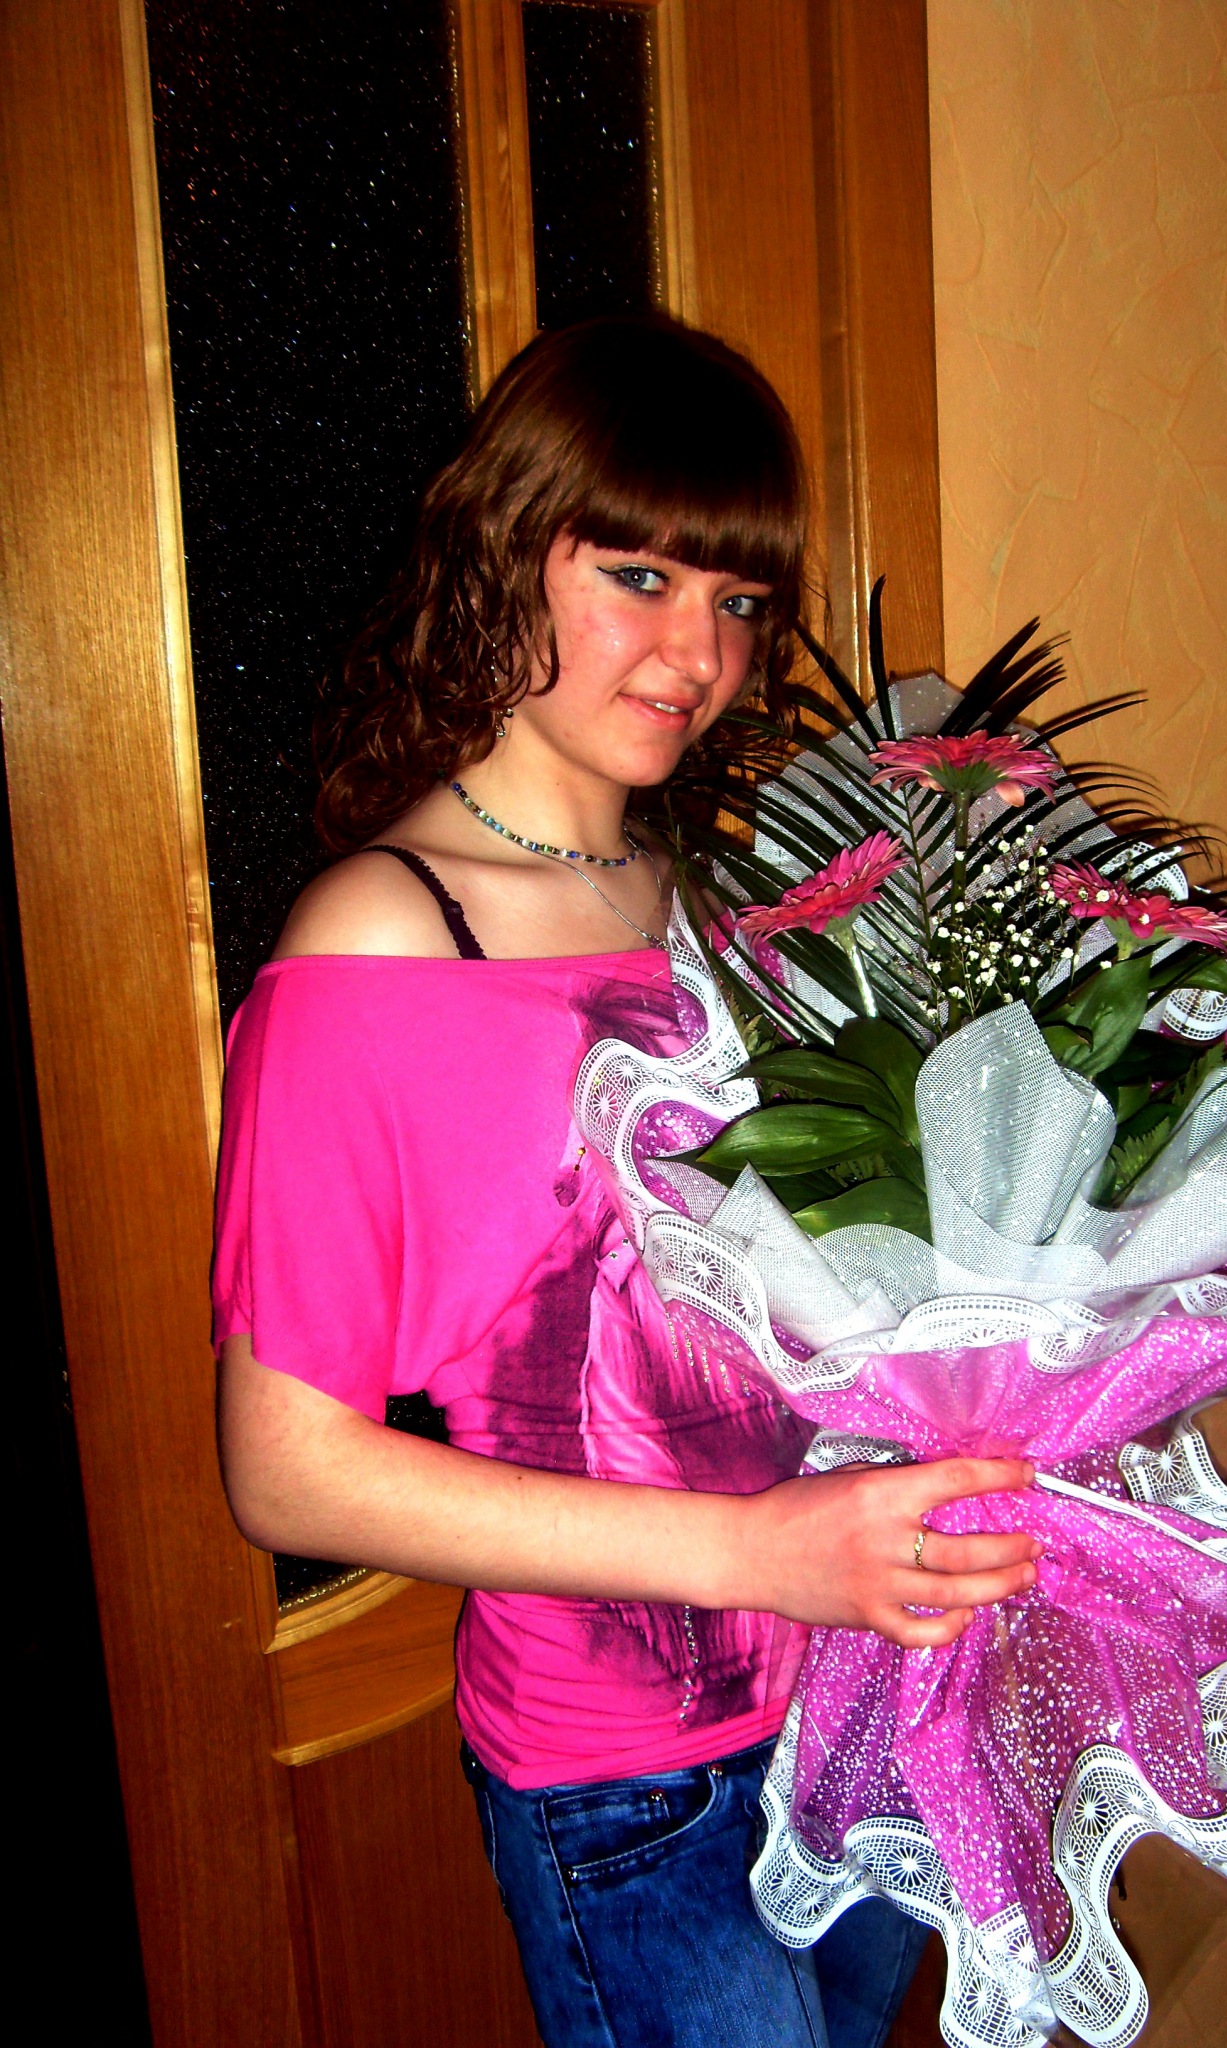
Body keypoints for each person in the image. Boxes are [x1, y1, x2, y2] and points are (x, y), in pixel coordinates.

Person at [213, 315, 1040, 2048]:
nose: (698, 653)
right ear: (503, 547)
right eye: (640, 577)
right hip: (630, 1784)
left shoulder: (709, 906)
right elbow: (286, 1471)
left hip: (860, 1700)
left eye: (737, 601)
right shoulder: (380, 942)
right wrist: (759, 1554)